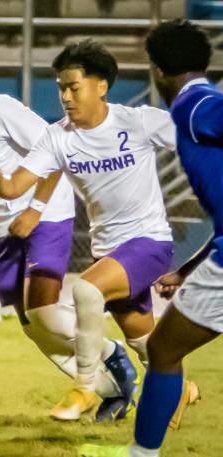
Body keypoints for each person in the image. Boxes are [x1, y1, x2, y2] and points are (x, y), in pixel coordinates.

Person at [0, 27, 137, 421]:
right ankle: (111, 390)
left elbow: (55, 149)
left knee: (45, 312)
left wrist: (34, 209)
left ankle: (112, 353)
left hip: (46, 209)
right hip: (5, 225)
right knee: (34, 328)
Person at [0, 39, 198, 423]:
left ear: (100, 86)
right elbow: (16, 186)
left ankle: (84, 386)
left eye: (73, 87)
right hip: (108, 252)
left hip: (149, 243)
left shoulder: (137, 121)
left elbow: (196, 138)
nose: (65, 96)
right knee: (145, 341)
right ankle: (181, 390)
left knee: (85, 289)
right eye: (60, 87)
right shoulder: (57, 136)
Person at [78, 19, 219, 457]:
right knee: (162, 348)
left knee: (162, 349)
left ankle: (141, 452)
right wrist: (186, 268)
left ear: (156, 71)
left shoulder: (195, 106)